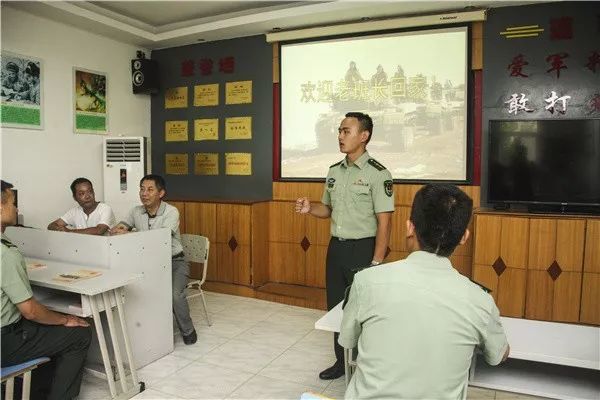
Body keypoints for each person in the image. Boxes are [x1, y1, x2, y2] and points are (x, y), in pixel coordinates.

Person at [339, 184, 510, 399]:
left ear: (410, 227)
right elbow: (498, 355)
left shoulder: (367, 281)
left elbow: (347, 339)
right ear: (464, 237)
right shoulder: (480, 300)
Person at [295, 112, 394, 380]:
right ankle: (341, 362)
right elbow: (326, 209)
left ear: (364, 136)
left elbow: (384, 223)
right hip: (336, 248)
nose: (340, 136)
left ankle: (367, 366)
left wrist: (376, 261)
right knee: (337, 308)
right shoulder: (333, 171)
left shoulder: (378, 173)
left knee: (365, 311)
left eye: (346, 131)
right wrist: (310, 208)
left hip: (364, 250)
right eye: (339, 131)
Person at [1, 180, 92, 400]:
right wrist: (64, 319)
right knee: (79, 333)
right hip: (5, 341)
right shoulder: (6, 254)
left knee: (42, 329)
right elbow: (30, 310)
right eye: (13, 203)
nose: (17, 209)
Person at [110, 174, 197, 345]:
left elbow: (160, 238)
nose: (144, 193)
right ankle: (147, 332)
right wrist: (117, 229)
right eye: (142, 189)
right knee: (133, 290)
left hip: (175, 262)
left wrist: (128, 234)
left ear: (161, 193)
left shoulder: (171, 211)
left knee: (175, 295)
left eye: (150, 190)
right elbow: (120, 227)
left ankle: (188, 331)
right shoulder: (136, 211)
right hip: (149, 263)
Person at [48, 177, 115, 235]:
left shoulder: (105, 209)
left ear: (94, 192)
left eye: (90, 191)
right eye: (81, 194)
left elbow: (99, 230)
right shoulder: (74, 212)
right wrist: (60, 229)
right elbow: (51, 226)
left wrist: (69, 231)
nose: (87, 196)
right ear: (75, 197)